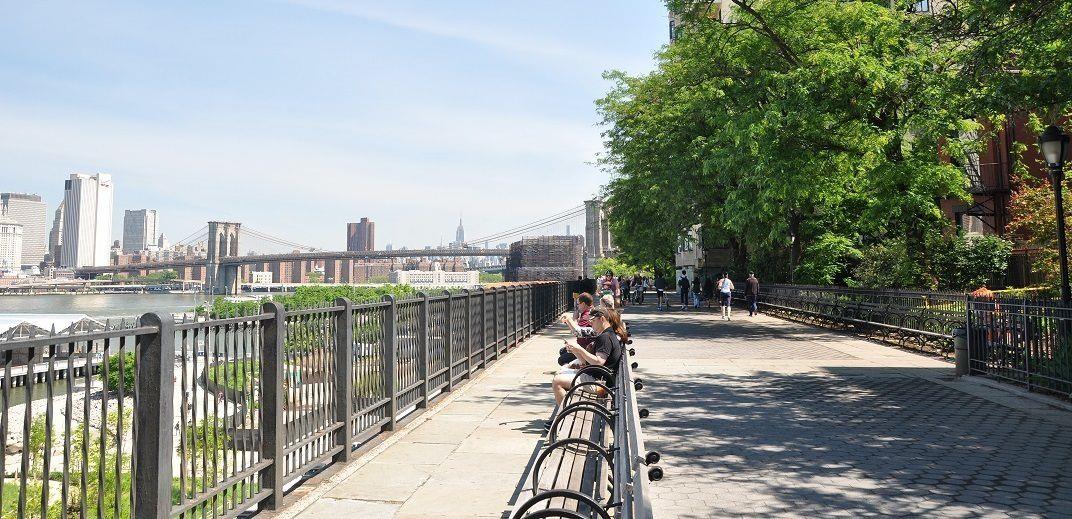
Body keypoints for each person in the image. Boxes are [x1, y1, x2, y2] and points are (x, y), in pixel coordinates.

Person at [551, 308, 625, 409]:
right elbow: (587, 362)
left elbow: (599, 362)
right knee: (559, 373)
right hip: (598, 377)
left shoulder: (605, 337)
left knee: (557, 381)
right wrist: (575, 351)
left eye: (593, 320)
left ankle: (566, 413)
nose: (591, 323)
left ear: (602, 319)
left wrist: (580, 349)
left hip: (600, 384)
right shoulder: (606, 334)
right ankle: (566, 410)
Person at [560, 293, 596, 365]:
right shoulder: (588, 312)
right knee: (562, 351)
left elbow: (577, 332)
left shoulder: (587, 315)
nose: (577, 306)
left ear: (583, 304)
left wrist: (572, 319)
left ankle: (576, 367)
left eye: (578, 304)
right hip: (584, 346)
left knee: (562, 359)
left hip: (585, 349)